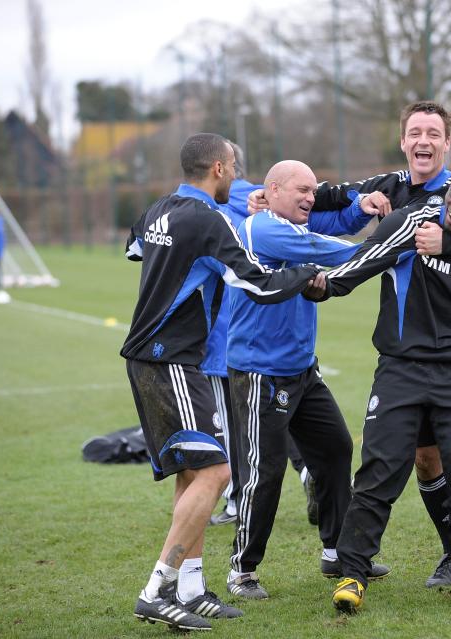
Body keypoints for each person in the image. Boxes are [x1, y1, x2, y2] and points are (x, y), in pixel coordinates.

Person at [251, 101, 451, 589]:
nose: (424, 140)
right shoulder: (392, 191)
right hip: (405, 357)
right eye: (415, 132)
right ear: (403, 142)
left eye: (434, 133)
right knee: (424, 460)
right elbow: (330, 200)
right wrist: (263, 201)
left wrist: (449, 243)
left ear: (447, 143)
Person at [307, 154, 451, 613]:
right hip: (400, 368)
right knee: (381, 469)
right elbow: (365, 260)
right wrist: (326, 284)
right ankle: (353, 573)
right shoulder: (413, 223)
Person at [121, 133, 319, 631]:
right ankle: (157, 588)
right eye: (233, 165)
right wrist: (306, 273)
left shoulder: (158, 210)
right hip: (173, 362)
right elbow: (257, 281)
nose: (237, 173)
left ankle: (190, 587)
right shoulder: (209, 220)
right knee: (216, 473)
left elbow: (136, 253)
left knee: (193, 474)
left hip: (166, 358)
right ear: (217, 168)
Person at [225, 160, 390, 600]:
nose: (309, 198)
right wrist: (394, 245)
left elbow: (334, 222)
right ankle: (242, 570)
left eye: (313, 192)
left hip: (303, 371)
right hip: (261, 373)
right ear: (272, 189)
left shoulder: (292, 223)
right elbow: (328, 247)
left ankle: (337, 551)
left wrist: (363, 210)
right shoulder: (261, 228)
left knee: (335, 448)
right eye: (301, 190)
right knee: (266, 470)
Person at [204, 143, 319, 529]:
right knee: (275, 416)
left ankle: (240, 514)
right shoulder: (262, 196)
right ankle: (308, 473)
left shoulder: (214, 201)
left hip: (232, 336)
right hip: (277, 337)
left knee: (243, 424)